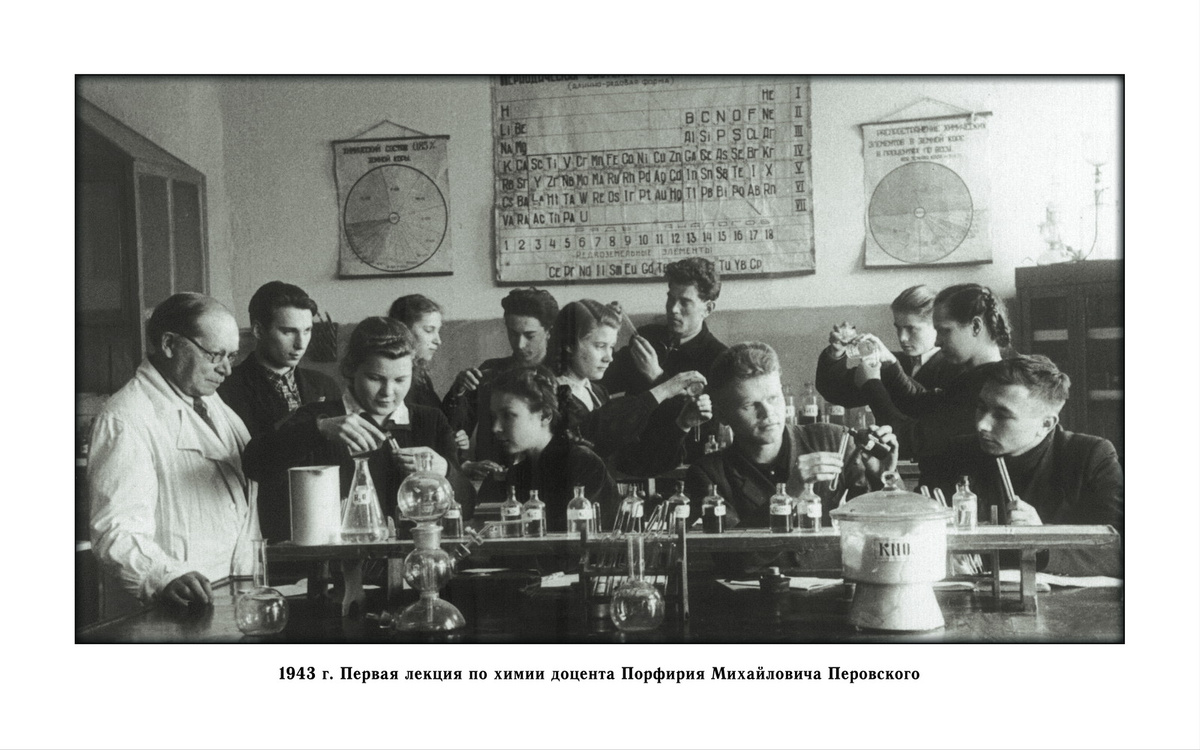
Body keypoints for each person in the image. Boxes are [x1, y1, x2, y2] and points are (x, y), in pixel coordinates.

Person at [89, 293, 254, 607]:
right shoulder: (126, 418)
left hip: (227, 588)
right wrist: (163, 576)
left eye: (231, 356)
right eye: (215, 355)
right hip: (179, 601)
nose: (226, 370)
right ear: (168, 344)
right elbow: (115, 531)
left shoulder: (207, 400)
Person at [243, 316, 473, 528]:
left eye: (400, 380)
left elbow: (469, 505)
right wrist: (319, 429)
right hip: (334, 557)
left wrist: (444, 471)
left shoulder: (430, 421)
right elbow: (253, 464)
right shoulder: (317, 417)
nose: (388, 392)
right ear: (351, 369)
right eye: (375, 378)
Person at [920, 355, 1124, 577]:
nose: (981, 424)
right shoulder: (955, 454)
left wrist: (1043, 541)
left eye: (1002, 415)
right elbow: (914, 534)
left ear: (1046, 424)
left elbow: (1117, 552)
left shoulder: (1090, 457)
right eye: (981, 407)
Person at [686, 342, 898, 530]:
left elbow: (884, 529)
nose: (768, 413)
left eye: (774, 398)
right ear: (722, 415)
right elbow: (733, 557)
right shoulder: (709, 475)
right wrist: (791, 491)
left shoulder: (834, 440)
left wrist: (883, 478)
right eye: (749, 405)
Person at [217, 281, 342, 543]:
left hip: (323, 525)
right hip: (259, 529)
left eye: (307, 330)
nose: (301, 343)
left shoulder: (324, 385)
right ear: (258, 330)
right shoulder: (227, 389)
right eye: (288, 331)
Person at [855, 283, 1014, 473]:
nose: (937, 342)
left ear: (976, 326)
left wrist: (871, 385)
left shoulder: (991, 388)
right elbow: (923, 402)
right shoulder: (974, 377)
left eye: (944, 331)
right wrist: (891, 366)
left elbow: (910, 440)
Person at [547, 299, 711, 467]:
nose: (609, 357)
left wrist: (683, 424)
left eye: (611, 347)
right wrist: (664, 389)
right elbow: (594, 437)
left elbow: (633, 461)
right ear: (569, 344)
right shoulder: (551, 395)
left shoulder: (597, 393)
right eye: (600, 346)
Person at [815, 285, 965, 459]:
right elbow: (837, 391)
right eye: (898, 328)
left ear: (936, 325)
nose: (902, 337)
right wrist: (836, 352)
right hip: (887, 463)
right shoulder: (891, 362)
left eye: (911, 328)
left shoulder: (958, 369)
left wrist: (872, 384)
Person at [478, 366, 619, 532]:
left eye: (508, 415)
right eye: (494, 417)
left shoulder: (582, 464)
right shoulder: (518, 471)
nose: (496, 427)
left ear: (545, 415)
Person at [443, 287, 559, 473]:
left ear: (548, 331)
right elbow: (450, 433)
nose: (519, 344)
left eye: (529, 335)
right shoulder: (490, 372)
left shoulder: (564, 377)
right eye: (513, 333)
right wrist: (458, 393)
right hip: (496, 478)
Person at [601, 257, 727, 395]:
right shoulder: (647, 336)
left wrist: (656, 376)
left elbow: (702, 409)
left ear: (708, 309)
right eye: (671, 298)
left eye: (684, 302)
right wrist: (605, 330)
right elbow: (603, 383)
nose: (673, 309)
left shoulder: (720, 360)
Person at [387, 294, 471, 453]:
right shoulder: (394, 379)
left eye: (438, 331)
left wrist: (454, 438)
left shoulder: (420, 376)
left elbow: (435, 421)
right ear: (404, 331)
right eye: (429, 330)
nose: (438, 340)